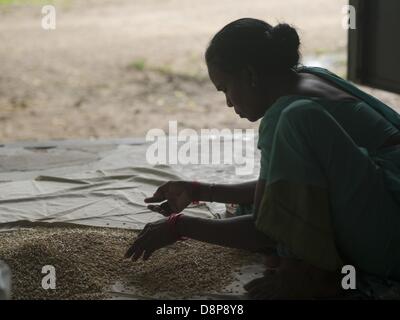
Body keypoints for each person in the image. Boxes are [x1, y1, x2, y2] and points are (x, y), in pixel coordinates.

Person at [124, 18, 400, 299]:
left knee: (257, 214)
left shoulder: (288, 113)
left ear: (250, 75)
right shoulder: (312, 77)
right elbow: (289, 187)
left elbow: (268, 227)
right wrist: (200, 190)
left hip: (390, 240)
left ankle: (310, 274)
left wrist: (180, 226)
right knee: (247, 207)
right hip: (384, 204)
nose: (228, 103)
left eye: (225, 89)